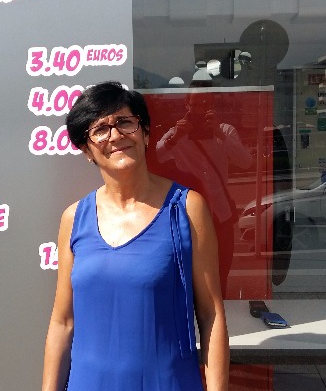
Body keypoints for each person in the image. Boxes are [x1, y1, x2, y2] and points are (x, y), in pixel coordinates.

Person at [42, 81, 229, 391]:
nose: (115, 136)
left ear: (146, 133)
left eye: (124, 122)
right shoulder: (74, 219)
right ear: (87, 150)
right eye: (100, 129)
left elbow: (211, 316)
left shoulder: (186, 209)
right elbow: (63, 322)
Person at [155, 83, 252, 296]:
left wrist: (220, 134)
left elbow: (246, 161)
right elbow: (155, 158)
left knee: (221, 271)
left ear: (212, 105)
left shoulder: (225, 130)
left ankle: (220, 310)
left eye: (205, 103)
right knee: (188, 273)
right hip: (187, 215)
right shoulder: (177, 133)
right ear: (187, 105)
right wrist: (175, 138)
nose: (199, 109)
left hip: (220, 214)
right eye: (195, 104)